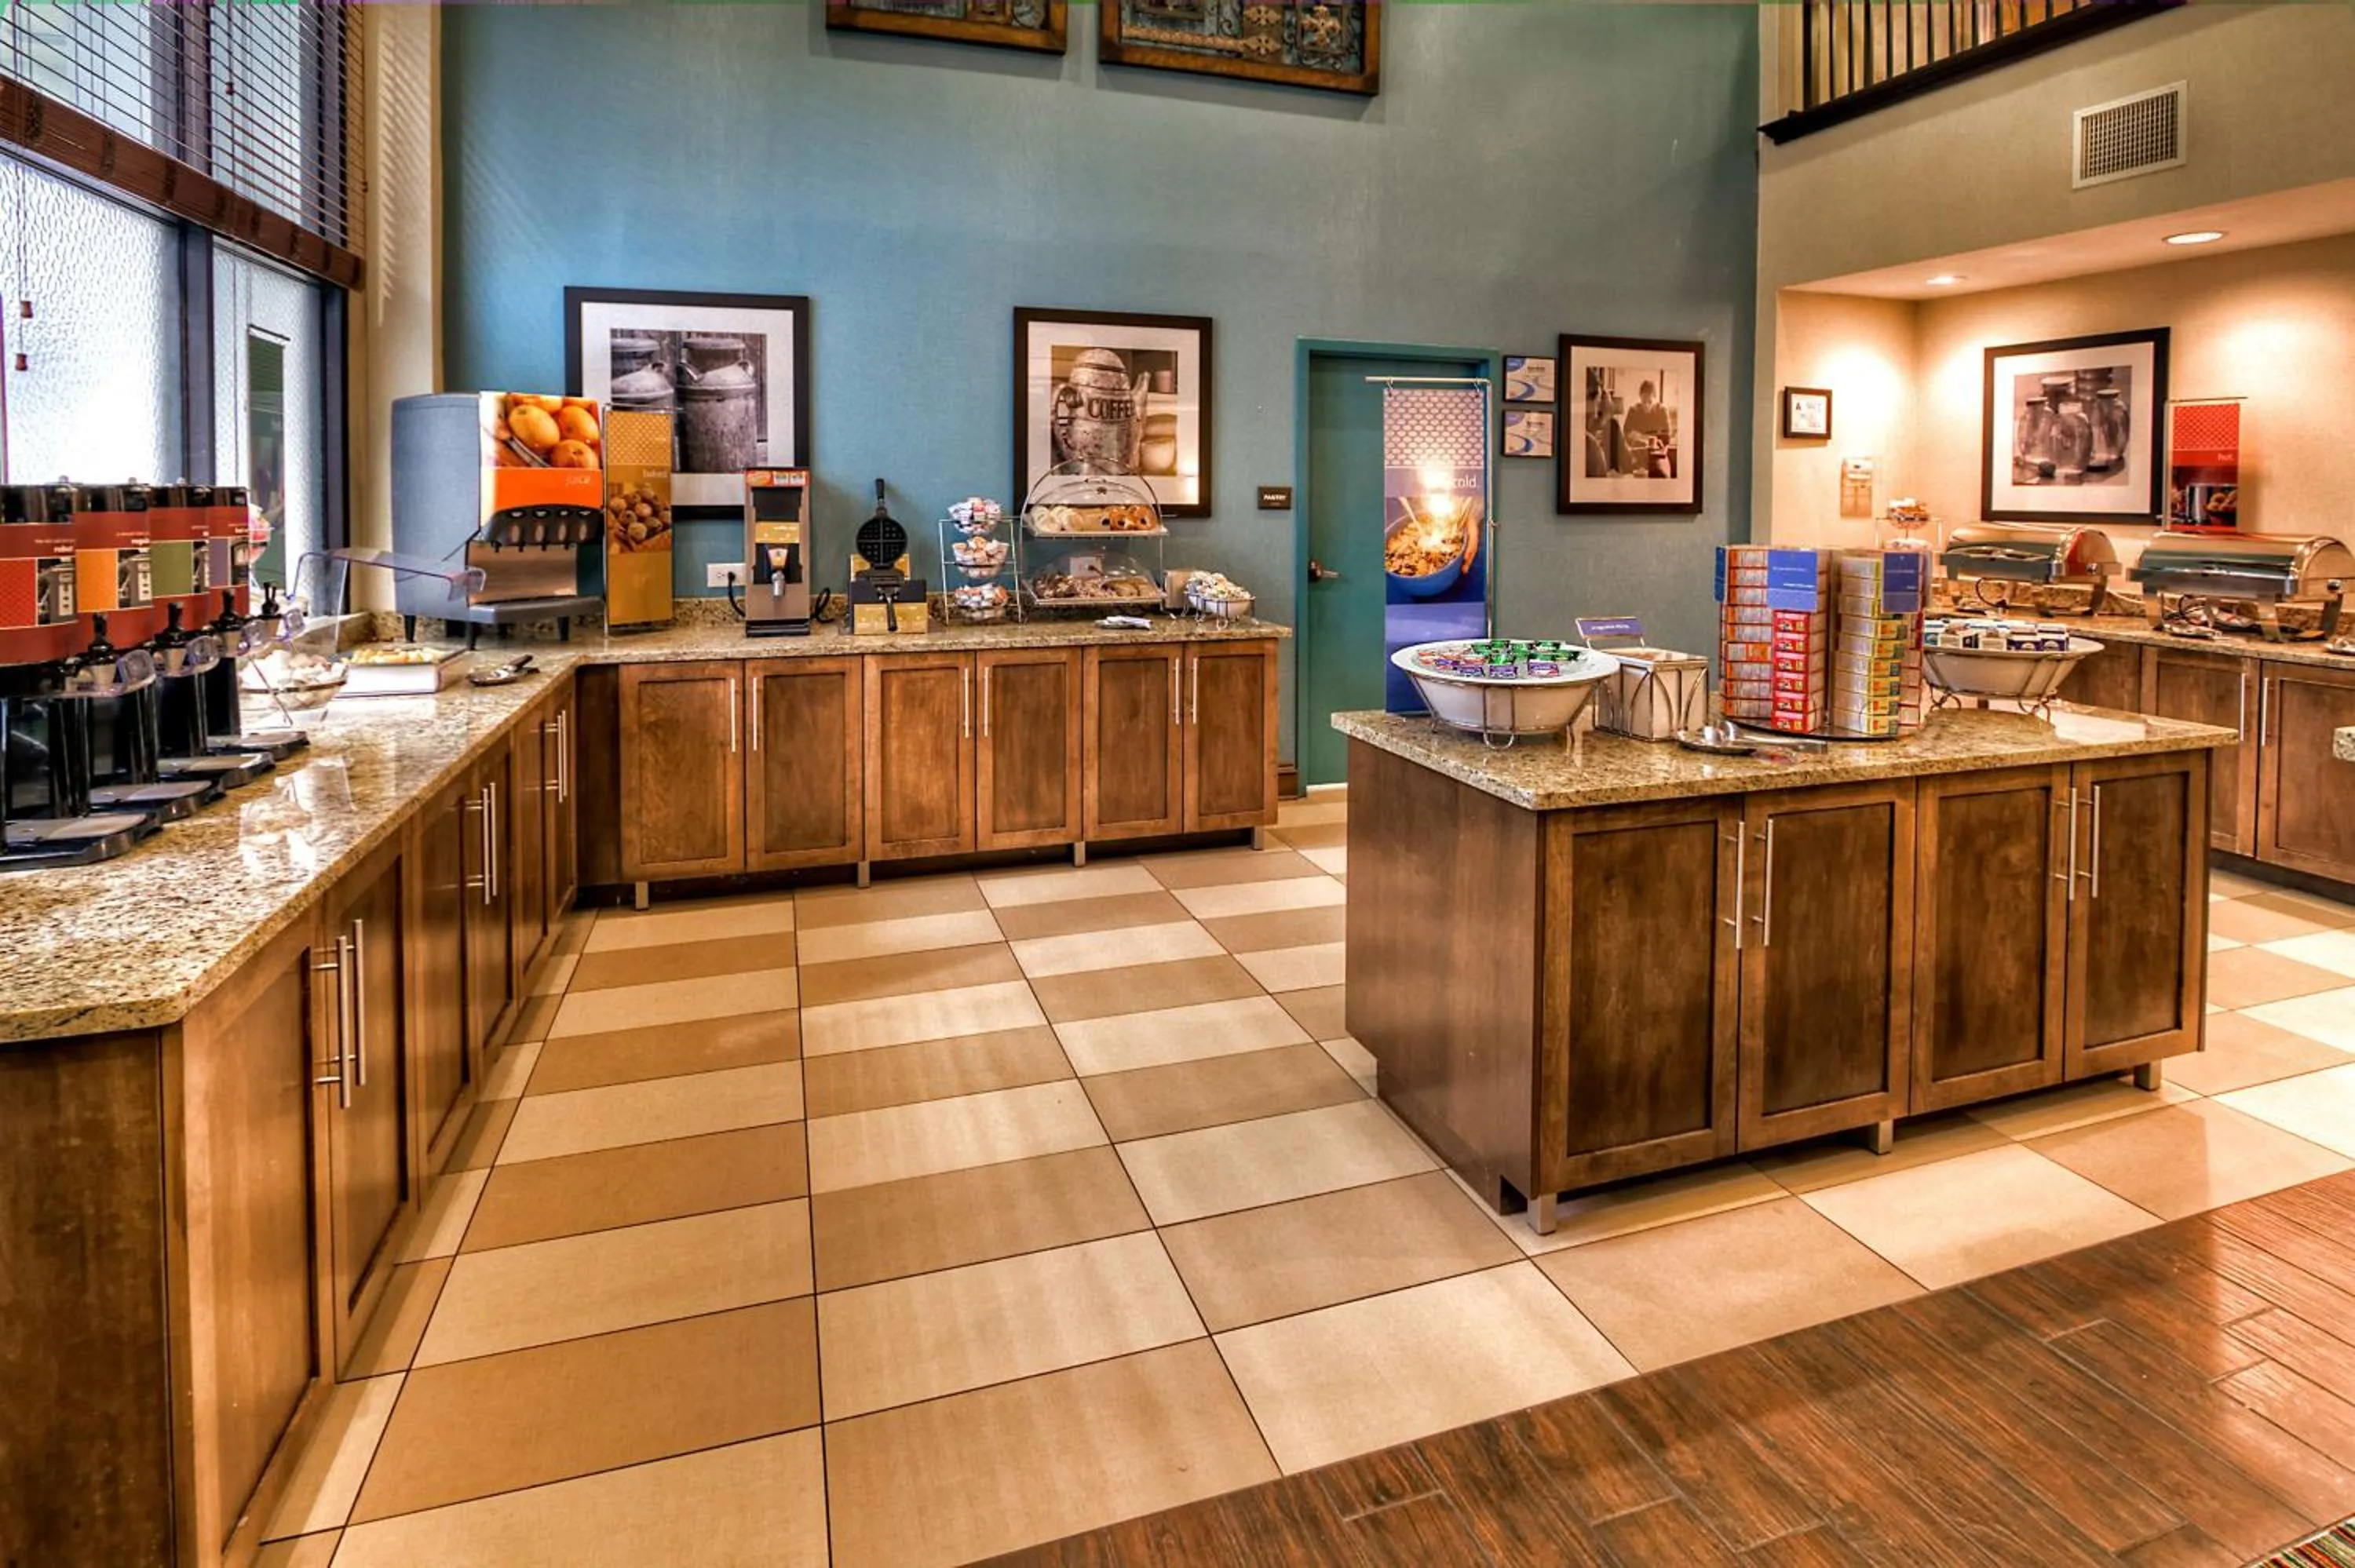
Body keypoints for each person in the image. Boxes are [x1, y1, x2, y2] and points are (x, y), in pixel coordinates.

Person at [1621, 379, 1674, 477]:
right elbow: (1626, 433)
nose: (1646, 405)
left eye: (1650, 402)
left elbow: (1667, 437)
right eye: (1644, 401)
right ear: (1640, 397)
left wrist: (1642, 437)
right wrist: (1646, 438)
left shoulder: (1662, 411)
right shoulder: (1634, 410)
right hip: (1637, 455)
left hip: (1657, 456)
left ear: (1655, 398)